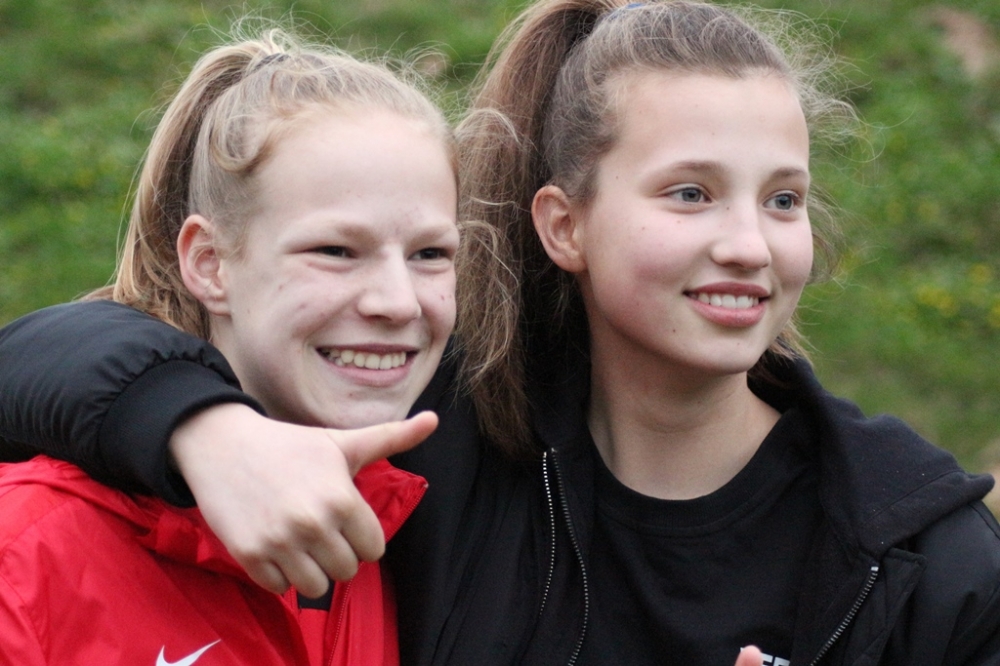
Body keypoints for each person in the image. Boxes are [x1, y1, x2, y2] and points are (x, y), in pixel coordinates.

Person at [2, 1, 1000, 664]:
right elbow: (39, 362)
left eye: (783, 199)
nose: (747, 243)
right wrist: (208, 431)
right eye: (689, 193)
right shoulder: (427, 446)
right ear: (563, 225)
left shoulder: (922, 553)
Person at [0, 26, 463, 665]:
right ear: (210, 263)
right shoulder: (28, 548)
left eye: (431, 253)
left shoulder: (428, 510)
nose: (399, 301)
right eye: (335, 250)